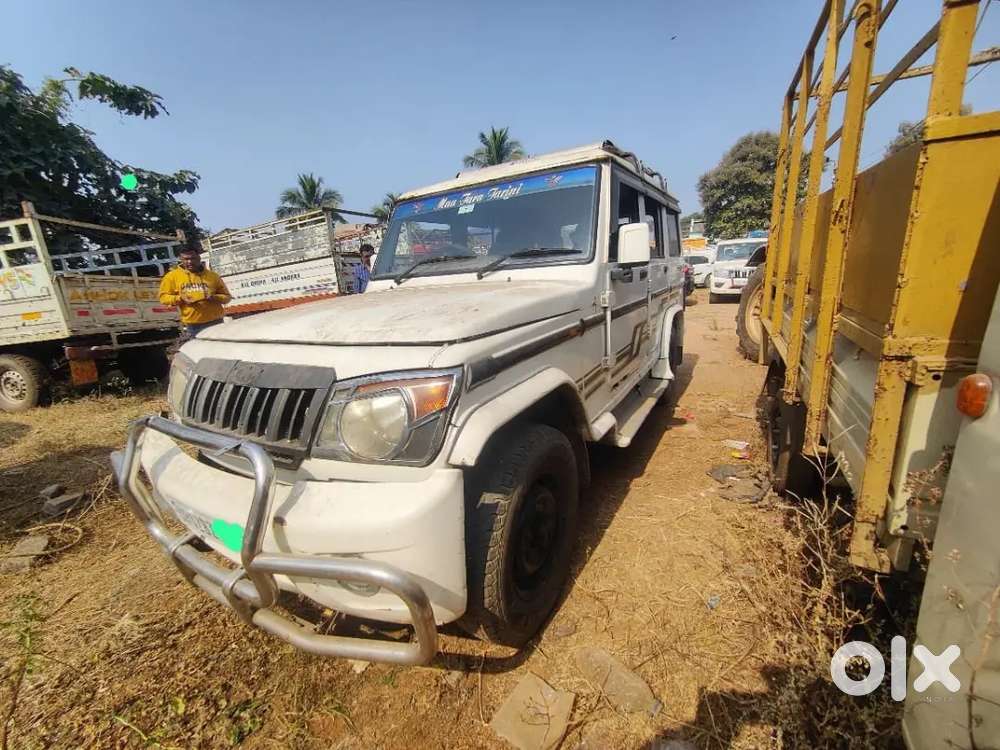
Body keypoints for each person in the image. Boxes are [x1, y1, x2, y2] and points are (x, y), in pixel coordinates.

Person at [159, 246, 231, 338]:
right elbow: (163, 298)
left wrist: (214, 297)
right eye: (186, 259)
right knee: (199, 351)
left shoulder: (212, 276)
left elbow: (227, 297)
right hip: (193, 325)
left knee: (220, 350)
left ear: (199, 258)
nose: (190, 262)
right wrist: (180, 298)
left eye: (193, 258)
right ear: (181, 259)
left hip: (216, 322)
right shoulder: (172, 277)